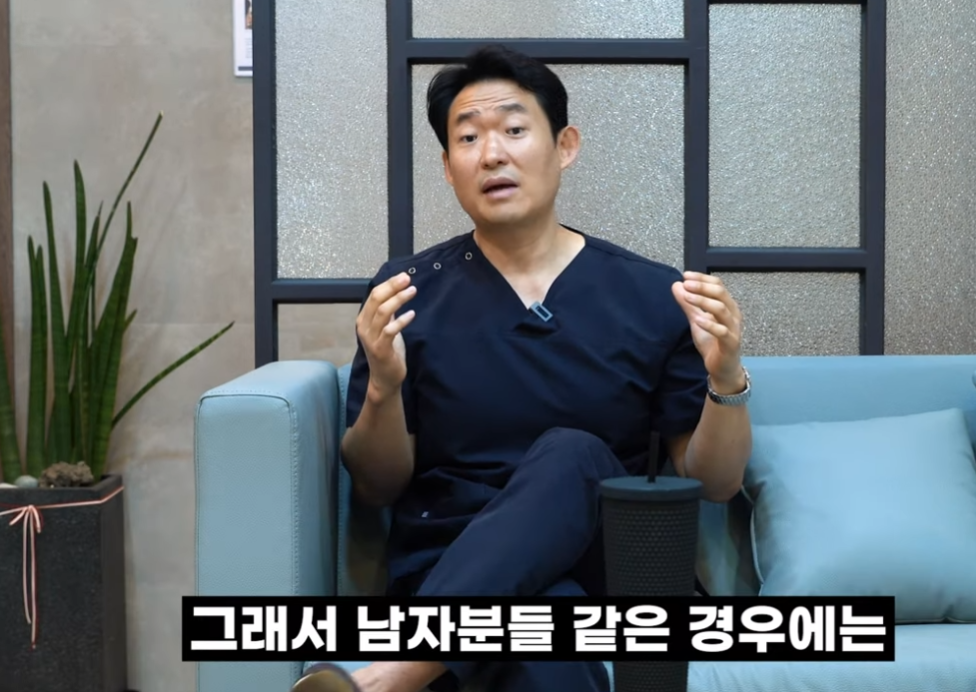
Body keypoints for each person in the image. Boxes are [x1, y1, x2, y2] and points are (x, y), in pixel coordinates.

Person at [295, 44, 754, 692]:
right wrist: (384, 390)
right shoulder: (407, 294)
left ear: (564, 146)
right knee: (541, 646)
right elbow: (376, 486)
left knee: (573, 454)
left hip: (603, 565)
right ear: (448, 168)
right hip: (451, 558)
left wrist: (726, 376)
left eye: (513, 129)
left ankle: (391, 676)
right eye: (468, 138)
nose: (491, 154)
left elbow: (716, 482)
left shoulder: (654, 295)